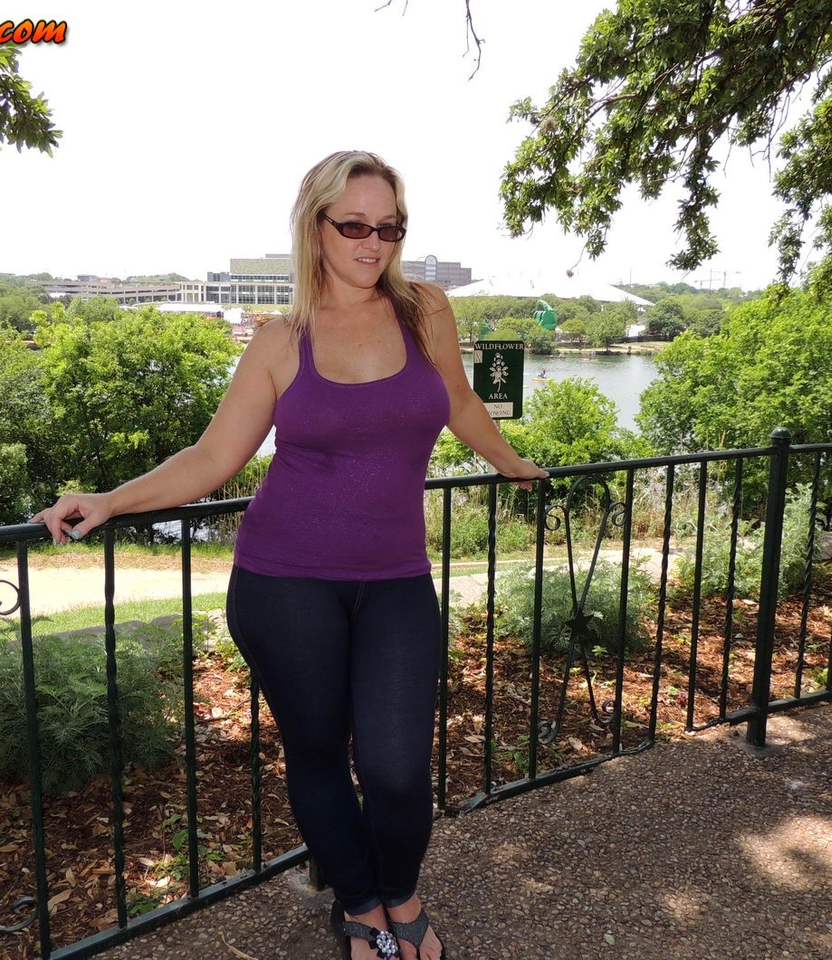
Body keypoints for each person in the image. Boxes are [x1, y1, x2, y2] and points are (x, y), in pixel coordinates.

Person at [33, 150, 546, 960]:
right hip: (284, 583)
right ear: (316, 227)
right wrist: (109, 499)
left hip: (397, 581)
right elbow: (212, 458)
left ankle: (403, 895)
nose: (373, 243)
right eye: (355, 226)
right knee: (315, 753)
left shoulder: (425, 312)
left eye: (390, 227)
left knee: (398, 769)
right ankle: (361, 907)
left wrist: (511, 461)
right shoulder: (281, 341)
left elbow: (457, 399)